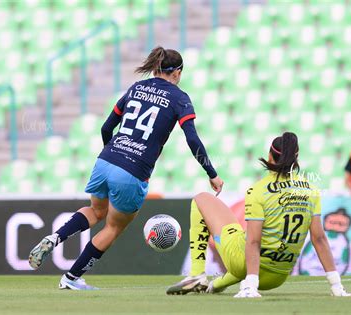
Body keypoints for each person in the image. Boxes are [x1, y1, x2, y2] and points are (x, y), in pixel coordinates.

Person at [28, 46, 224, 290]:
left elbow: (106, 128)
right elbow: (192, 139)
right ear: (178, 72)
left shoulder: (136, 88)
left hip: (105, 160)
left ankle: (55, 237)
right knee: (113, 226)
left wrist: (112, 155)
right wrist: (212, 174)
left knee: (95, 211)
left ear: (155, 68)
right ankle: (71, 279)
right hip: (132, 171)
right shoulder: (180, 98)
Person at [167, 132, 351, 298]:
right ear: (296, 158)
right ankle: (216, 285)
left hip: (250, 270)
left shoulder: (259, 190)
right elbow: (319, 239)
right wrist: (337, 287)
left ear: (270, 156)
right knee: (247, 242)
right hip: (276, 278)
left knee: (202, 199)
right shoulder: (311, 191)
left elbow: (253, 241)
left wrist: (250, 285)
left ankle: (197, 275)